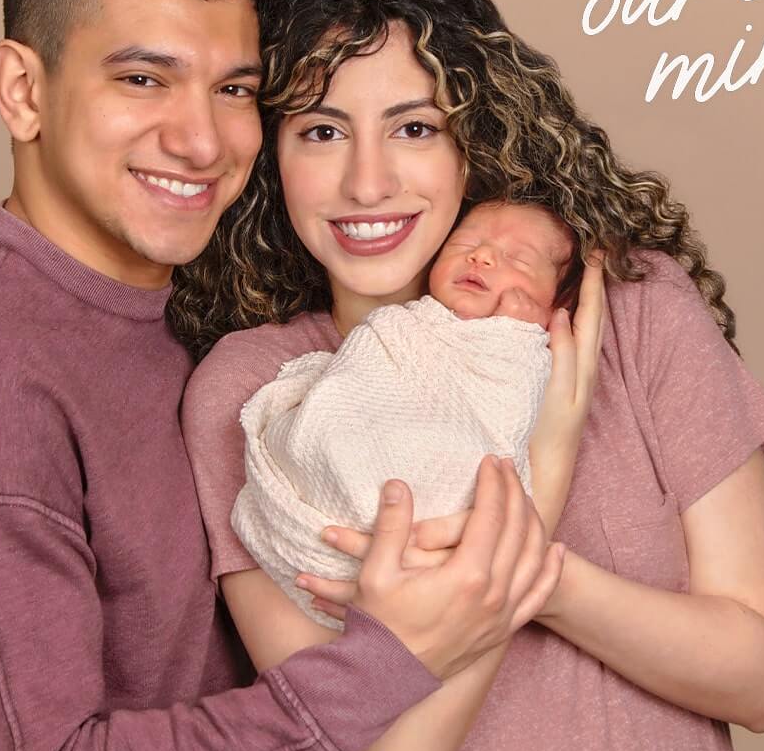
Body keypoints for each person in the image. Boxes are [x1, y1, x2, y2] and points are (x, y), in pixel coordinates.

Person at [0, 0, 563, 751]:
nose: (200, 137)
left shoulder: (195, 316)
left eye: (234, 90)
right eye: (142, 78)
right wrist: (385, 664)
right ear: (23, 90)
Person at [173, 0, 764, 751]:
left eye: (415, 127)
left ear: (476, 135)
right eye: (321, 130)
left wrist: (530, 581)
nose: (369, 180)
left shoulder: (621, 309)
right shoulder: (264, 396)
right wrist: (540, 478)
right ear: (269, 156)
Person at [232, 200, 579, 626]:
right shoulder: (404, 326)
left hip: (435, 507)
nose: (481, 256)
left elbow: (503, 408)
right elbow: (356, 381)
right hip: (342, 467)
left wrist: (516, 336)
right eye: (466, 242)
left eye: (517, 259)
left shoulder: (524, 350)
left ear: (556, 304)